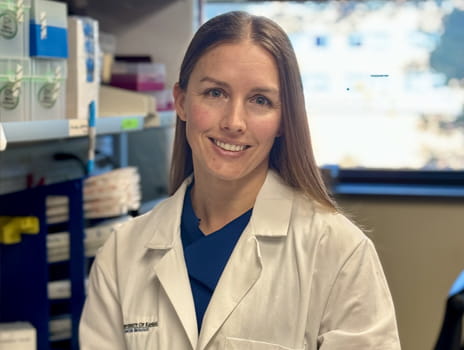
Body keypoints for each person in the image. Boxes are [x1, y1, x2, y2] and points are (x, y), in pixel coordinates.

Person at [79, 11, 401, 350]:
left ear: (283, 119)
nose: (234, 122)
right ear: (181, 101)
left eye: (260, 100)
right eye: (215, 93)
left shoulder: (337, 250)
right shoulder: (123, 253)